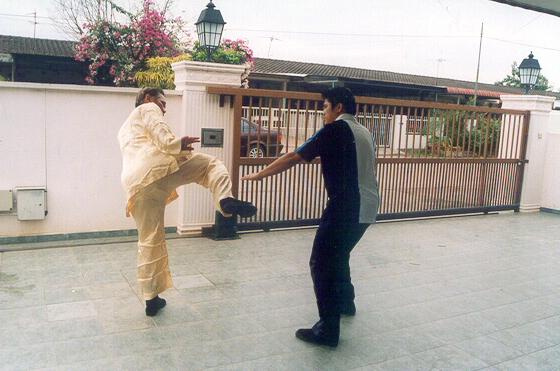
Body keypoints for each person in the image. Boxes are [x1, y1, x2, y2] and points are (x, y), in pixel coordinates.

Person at [242, 87, 379, 347]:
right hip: (369, 205)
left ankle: (327, 330)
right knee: (339, 254)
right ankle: (345, 303)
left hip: (346, 206)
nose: (323, 113)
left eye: (325, 107)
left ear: (338, 108)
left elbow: (295, 156)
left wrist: (259, 175)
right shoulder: (364, 132)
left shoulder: (335, 130)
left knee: (321, 262)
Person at [118, 87, 257, 316]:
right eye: (162, 103)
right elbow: (158, 129)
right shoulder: (147, 107)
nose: (163, 108)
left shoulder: (124, 129)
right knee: (211, 166)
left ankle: (150, 298)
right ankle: (224, 200)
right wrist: (175, 143)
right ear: (149, 98)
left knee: (149, 240)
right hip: (158, 169)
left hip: (135, 185)